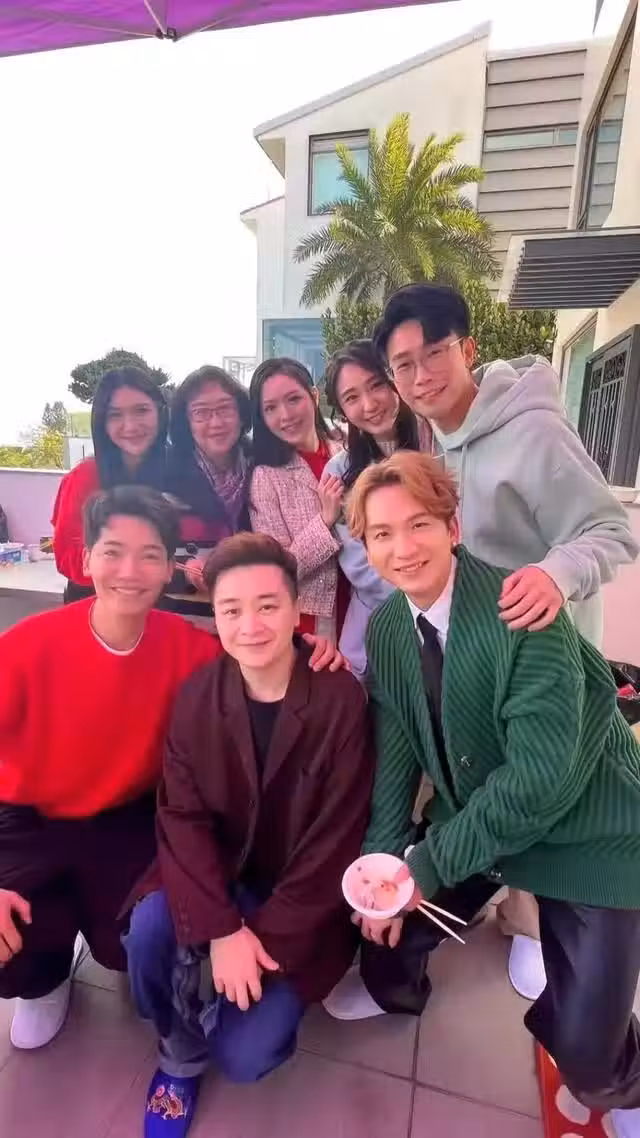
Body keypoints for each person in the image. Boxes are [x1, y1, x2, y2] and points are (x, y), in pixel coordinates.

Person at [346, 450, 640, 1138]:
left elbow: (538, 782)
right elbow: (396, 751)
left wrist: (426, 866)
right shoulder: (389, 628)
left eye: (418, 524)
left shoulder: (521, 608)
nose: (402, 548)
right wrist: (386, 863)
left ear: (453, 528)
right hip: (480, 819)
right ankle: (399, 986)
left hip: (587, 832)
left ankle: (622, 1080)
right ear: (366, 548)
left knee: (589, 1055)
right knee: (380, 930)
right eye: (382, 533)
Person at [0, 488, 342, 1054]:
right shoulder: (26, 647)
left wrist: (308, 648)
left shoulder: (185, 648)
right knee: (13, 941)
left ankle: (94, 936)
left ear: (169, 568)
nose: (129, 571)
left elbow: (253, 650)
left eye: (150, 555)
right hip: (23, 819)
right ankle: (43, 980)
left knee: (137, 944)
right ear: (86, 558)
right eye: (113, 552)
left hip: (124, 818)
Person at [372, 283, 639, 999]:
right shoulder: (439, 436)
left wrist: (554, 573)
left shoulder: (532, 430)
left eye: (434, 353)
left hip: (543, 650)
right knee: (484, 781)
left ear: (468, 349)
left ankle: (530, 924)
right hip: (472, 650)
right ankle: (492, 895)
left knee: (544, 783)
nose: (421, 375)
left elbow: (611, 530)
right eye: (403, 365)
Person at [123, 532, 373, 1138]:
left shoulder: (340, 699)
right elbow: (180, 815)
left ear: (296, 608)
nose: (251, 626)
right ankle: (179, 1053)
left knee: (245, 1054)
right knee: (147, 934)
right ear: (215, 616)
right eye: (232, 610)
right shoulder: (198, 696)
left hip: (297, 899)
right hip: (217, 877)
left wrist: (254, 941)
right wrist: (220, 929)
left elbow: (336, 842)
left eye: (267, 606)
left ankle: (219, 1002)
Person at [324, 339, 425, 675]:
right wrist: (421, 592)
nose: (369, 405)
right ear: (342, 410)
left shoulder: (438, 445)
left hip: (452, 620)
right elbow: (357, 562)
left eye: (377, 385)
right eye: (352, 397)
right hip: (375, 630)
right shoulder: (340, 472)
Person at [52, 367, 169, 603]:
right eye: (115, 415)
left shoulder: (178, 470)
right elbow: (67, 558)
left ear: (161, 412)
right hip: (95, 606)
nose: (130, 425)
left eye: (141, 410)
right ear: (102, 422)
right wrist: (130, 575)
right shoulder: (84, 477)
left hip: (163, 605)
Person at [249, 358, 346, 640]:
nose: (285, 415)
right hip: (313, 618)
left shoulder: (347, 446)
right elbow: (278, 566)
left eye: (293, 399)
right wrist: (323, 522)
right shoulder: (266, 477)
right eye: (270, 408)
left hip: (369, 598)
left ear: (313, 396)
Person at [165, 366, 252, 624]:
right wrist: (186, 573)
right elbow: (144, 561)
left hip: (251, 623)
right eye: (201, 413)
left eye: (225, 409)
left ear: (241, 415)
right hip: (186, 625)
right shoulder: (164, 475)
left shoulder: (262, 468)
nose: (216, 423)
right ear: (186, 423)